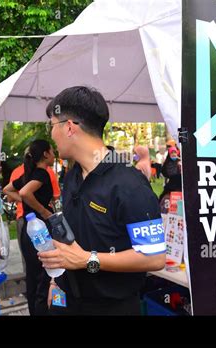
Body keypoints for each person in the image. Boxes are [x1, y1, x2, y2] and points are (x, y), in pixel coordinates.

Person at [40, 86, 166, 315]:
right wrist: (55, 283)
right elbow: (70, 239)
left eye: (52, 125)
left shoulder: (129, 184)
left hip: (111, 307)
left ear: (68, 127)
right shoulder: (72, 178)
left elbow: (155, 257)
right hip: (67, 301)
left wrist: (89, 260)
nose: (50, 135)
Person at [3, 139, 55, 315]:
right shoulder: (41, 173)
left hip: (28, 228)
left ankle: (34, 310)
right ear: (46, 154)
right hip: (40, 228)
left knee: (33, 275)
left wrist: (28, 203)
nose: (54, 155)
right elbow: (24, 193)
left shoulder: (28, 174)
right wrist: (42, 209)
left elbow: (8, 190)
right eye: (52, 151)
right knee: (44, 275)